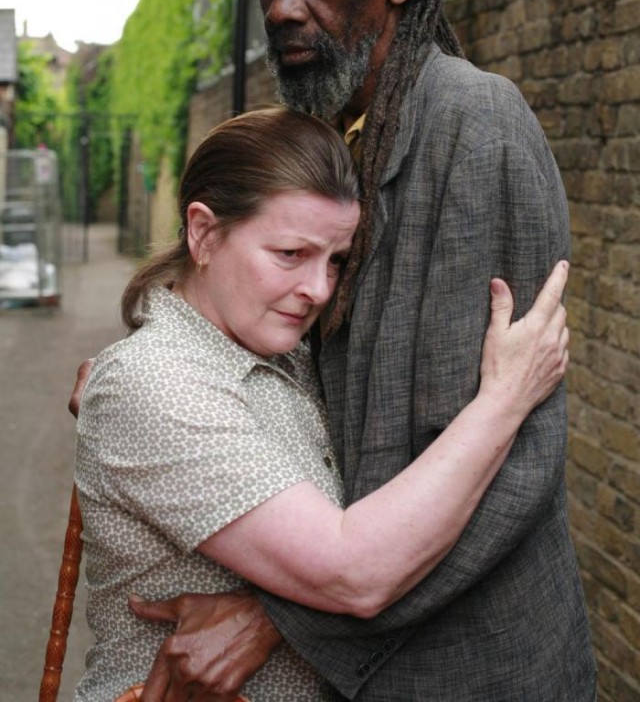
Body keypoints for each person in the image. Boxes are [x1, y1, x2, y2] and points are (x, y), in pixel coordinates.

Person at [127, 0, 597, 701]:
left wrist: (279, 612)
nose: (282, 6)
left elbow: (515, 456)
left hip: (472, 671)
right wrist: (158, 362)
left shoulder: (476, 126)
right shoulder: (322, 134)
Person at [74, 105, 569, 702]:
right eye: (289, 254)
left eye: (334, 260)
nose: (318, 290)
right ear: (203, 233)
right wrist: (507, 398)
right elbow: (351, 573)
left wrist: (268, 613)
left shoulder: (279, 349)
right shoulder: (153, 381)